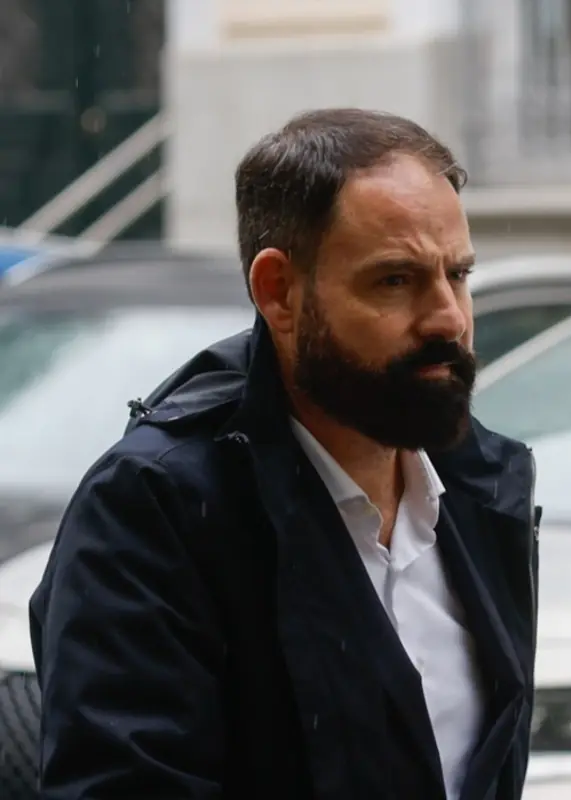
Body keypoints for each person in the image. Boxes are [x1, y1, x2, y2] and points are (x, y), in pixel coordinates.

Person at [29, 108, 540, 800]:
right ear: (279, 293)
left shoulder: (482, 486)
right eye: (395, 280)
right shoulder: (157, 511)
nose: (448, 316)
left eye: (459, 275)